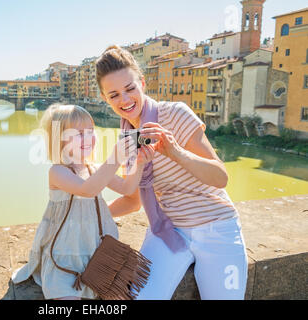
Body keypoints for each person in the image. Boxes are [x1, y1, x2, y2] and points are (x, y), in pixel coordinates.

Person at [95, 45, 248, 300]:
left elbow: (221, 177)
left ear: (142, 83)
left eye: (130, 88)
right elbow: (133, 201)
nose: (125, 99)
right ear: (105, 99)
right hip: (168, 231)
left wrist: (175, 151)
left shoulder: (175, 113)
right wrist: (91, 214)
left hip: (216, 227)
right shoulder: (127, 140)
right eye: (114, 95)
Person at [11, 103, 154, 300]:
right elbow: (88, 189)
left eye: (90, 131)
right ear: (59, 139)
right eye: (78, 133)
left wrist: (139, 163)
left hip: (95, 253)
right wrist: (114, 158)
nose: (88, 138)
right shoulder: (58, 171)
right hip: (65, 255)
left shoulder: (93, 168)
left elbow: (128, 190)